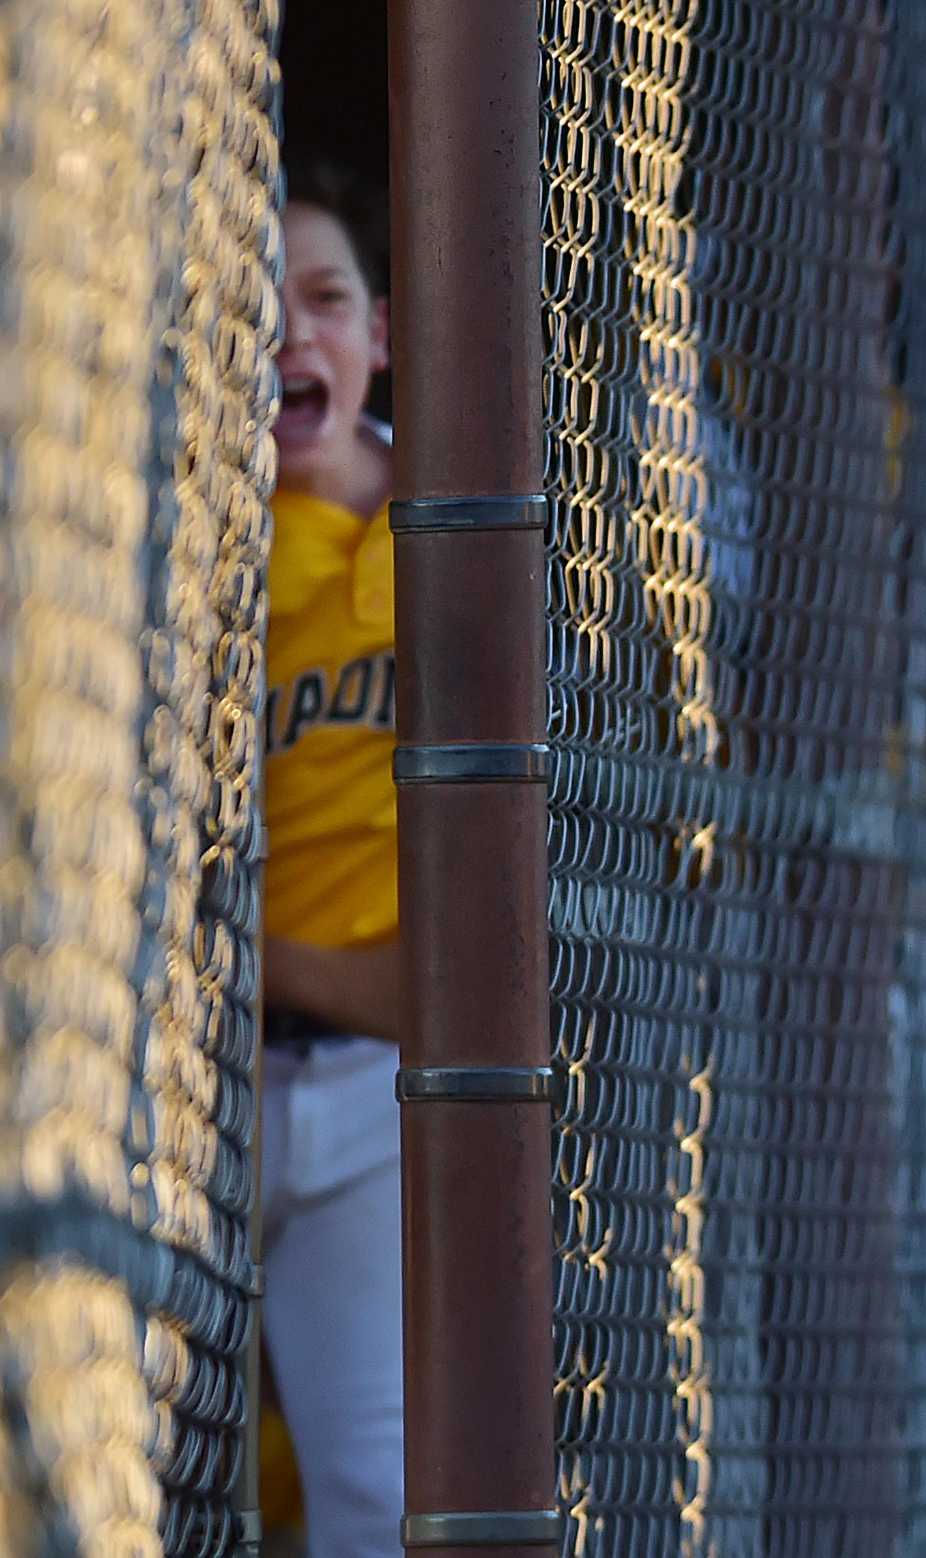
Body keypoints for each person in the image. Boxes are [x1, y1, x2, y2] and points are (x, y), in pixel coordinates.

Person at [261, 157, 405, 1556]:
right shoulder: (213, 540)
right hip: (207, 1081)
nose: (295, 331)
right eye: (263, 303)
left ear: (381, 336)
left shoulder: (450, 523)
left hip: (369, 1090)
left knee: (373, 1481)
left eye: (326, 299)